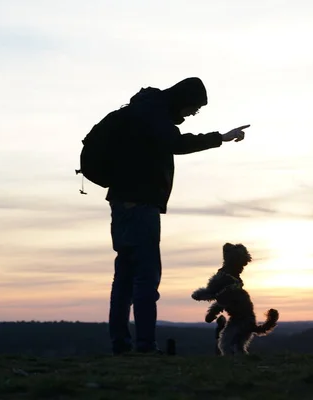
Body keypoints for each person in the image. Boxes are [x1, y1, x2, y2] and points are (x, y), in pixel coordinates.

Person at [106, 77, 249, 355]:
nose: (191, 115)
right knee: (145, 278)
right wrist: (221, 137)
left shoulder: (143, 110)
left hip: (123, 202)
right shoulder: (154, 113)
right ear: (183, 100)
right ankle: (145, 346)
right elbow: (176, 144)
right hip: (139, 204)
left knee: (124, 278)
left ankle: (121, 345)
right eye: (193, 109)